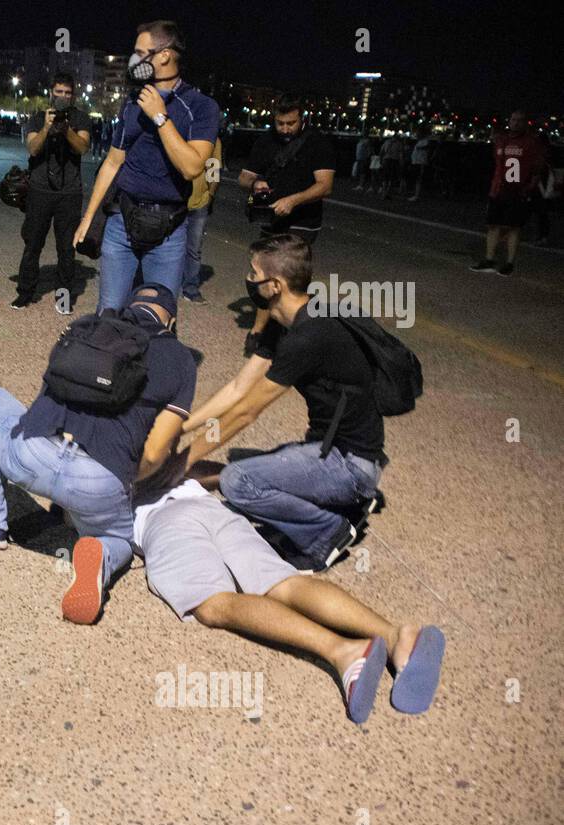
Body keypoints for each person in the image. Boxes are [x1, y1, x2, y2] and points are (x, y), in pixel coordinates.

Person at [0, 284, 196, 625]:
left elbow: (47, 394)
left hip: (34, 455)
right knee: (118, 539)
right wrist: (127, 481)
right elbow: (158, 450)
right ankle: (100, 555)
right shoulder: (180, 359)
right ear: (170, 323)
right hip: (97, 482)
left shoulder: (85, 326)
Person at [131, 472, 445, 724]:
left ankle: (344, 651)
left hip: (163, 524)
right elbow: (210, 470)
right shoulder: (148, 438)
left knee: (213, 603)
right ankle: (396, 638)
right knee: (285, 584)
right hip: (210, 508)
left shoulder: (95, 466)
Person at [183, 234, 386, 572]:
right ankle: (340, 506)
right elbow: (238, 388)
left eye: (253, 274)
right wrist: (182, 426)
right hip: (330, 446)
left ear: (274, 285)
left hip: (350, 463)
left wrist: (184, 457)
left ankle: (327, 532)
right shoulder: (290, 321)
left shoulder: (309, 335)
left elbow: (246, 412)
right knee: (246, 472)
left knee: (238, 481)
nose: (248, 280)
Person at [74, 19, 219, 310]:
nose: (134, 59)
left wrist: (160, 117)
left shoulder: (202, 107)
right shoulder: (132, 101)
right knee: (110, 311)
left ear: (164, 54)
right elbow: (112, 162)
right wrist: (88, 217)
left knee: (158, 318)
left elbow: (192, 168)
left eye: (141, 52)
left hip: (169, 231)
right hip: (121, 222)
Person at [238, 94, 335, 340]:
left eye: (290, 123)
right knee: (267, 274)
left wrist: (294, 200)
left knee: (289, 279)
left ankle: (282, 333)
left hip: (304, 221)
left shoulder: (317, 143)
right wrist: (256, 182)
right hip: (271, 220)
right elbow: (243, 177)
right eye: (280, 123)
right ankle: (264, 331)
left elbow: (325, 185)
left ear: (301, 119)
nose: (284, 129)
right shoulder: (265, 140)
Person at [13, 72, 91, 314]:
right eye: (59, 92)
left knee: (66, 247)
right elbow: (33, 148)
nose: (63, 97)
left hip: (69, 192)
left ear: (73, 96)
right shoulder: (38, 117)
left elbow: (82, 148)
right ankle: (25, 293)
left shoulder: (81, 118)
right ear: (51, 93)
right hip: (40, 190)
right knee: (33, 243)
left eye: (68, 93)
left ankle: (64, 297)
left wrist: (66, 129)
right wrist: (47, 127)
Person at [471, 110, 547, 277]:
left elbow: (537, 171)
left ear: (526, 123)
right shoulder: (500, 140)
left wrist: (527, 189)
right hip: (498, 190)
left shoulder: (531, 143)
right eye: (513, 120)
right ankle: (489, 260)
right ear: (509, 121)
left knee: (514, 227)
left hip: (517, 191)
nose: (516, 123)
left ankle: (509, 263)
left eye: (520, 120)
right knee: (492, 225)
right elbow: (497, 165)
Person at [180, 136, 222, 303]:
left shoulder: (212, 138)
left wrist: (210, 195)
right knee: (168, 246)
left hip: (199, 202)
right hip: (174, 200)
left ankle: (190, 287)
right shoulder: (178, 127)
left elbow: (214, 168)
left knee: (194, 248)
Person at [408, 127, 435, 201]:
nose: (416, 134)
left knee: (418, 179)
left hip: (420, 162)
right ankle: (416, 194)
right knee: (417, 178)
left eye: (418, 133)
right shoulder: (420, 141)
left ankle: (417, 195)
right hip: (417, 162)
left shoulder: (425, 141)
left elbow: (428, 146)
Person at [377, 133, 405, 199]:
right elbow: (401, 155)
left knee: (385, 177)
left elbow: (381, 152)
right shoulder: (399, 144)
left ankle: (384, 193)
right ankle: (387, 192)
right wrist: (401, 163)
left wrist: (381, 161)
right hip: (394, 161)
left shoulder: (386, 142)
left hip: (386, 160)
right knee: (391, 178)